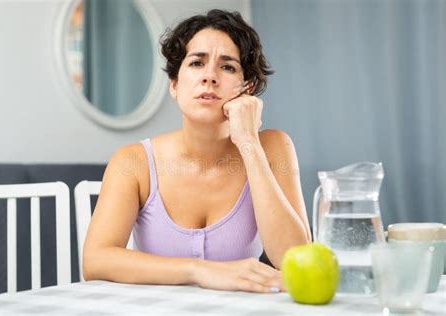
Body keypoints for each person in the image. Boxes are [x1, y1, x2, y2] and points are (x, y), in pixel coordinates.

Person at [83, 9, 311, 294]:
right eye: (196, 63)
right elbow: (95, 260)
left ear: (247, 89)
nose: (210, 76)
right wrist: (201, 271)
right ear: (175, 85)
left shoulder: (273, 147)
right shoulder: (133, 161)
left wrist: (249, 143)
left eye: (227, 67)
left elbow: (296, 261)